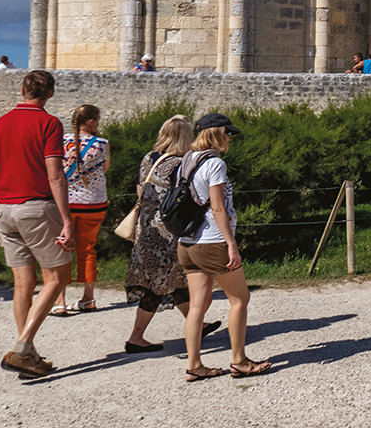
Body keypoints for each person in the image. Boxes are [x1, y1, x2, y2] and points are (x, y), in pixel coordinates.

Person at [0, 70, 73, 378]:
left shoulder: (2, 122)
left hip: (4, 207)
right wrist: (66, 220)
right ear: (49, 93)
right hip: (35, 206)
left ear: (22, 90)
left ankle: (29, 354)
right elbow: (55, 175)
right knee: (57, 278)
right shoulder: (49, 123)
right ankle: (23, 347)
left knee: (23, 283)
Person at [178, 113, 269, 380]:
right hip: (211, 240)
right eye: (227, 132)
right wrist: (231, 244)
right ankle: (239, 360)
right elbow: (218, 207)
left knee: (197, 306)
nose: (230, 137)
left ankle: (194, 365)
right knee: (240, 298)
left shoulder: (186, 159)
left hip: (187, 241)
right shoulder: (215, 163)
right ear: (215, 132)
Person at [124, 115, 221, 353]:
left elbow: (140, 189)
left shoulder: (149, 158)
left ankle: (197, 323)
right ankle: (136, 338)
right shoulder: (180, 163)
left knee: (175, 280)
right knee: (157, 286)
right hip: (168, 231)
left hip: (146, 229)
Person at [53, 104, 108, 315]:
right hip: (93, 203)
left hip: (64, 203)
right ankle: (88, 298)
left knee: (62, 249)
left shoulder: (61, 141)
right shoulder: (102, 144)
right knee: (88, 249)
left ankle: (59, 300)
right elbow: (105, 168)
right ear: (92, 122)